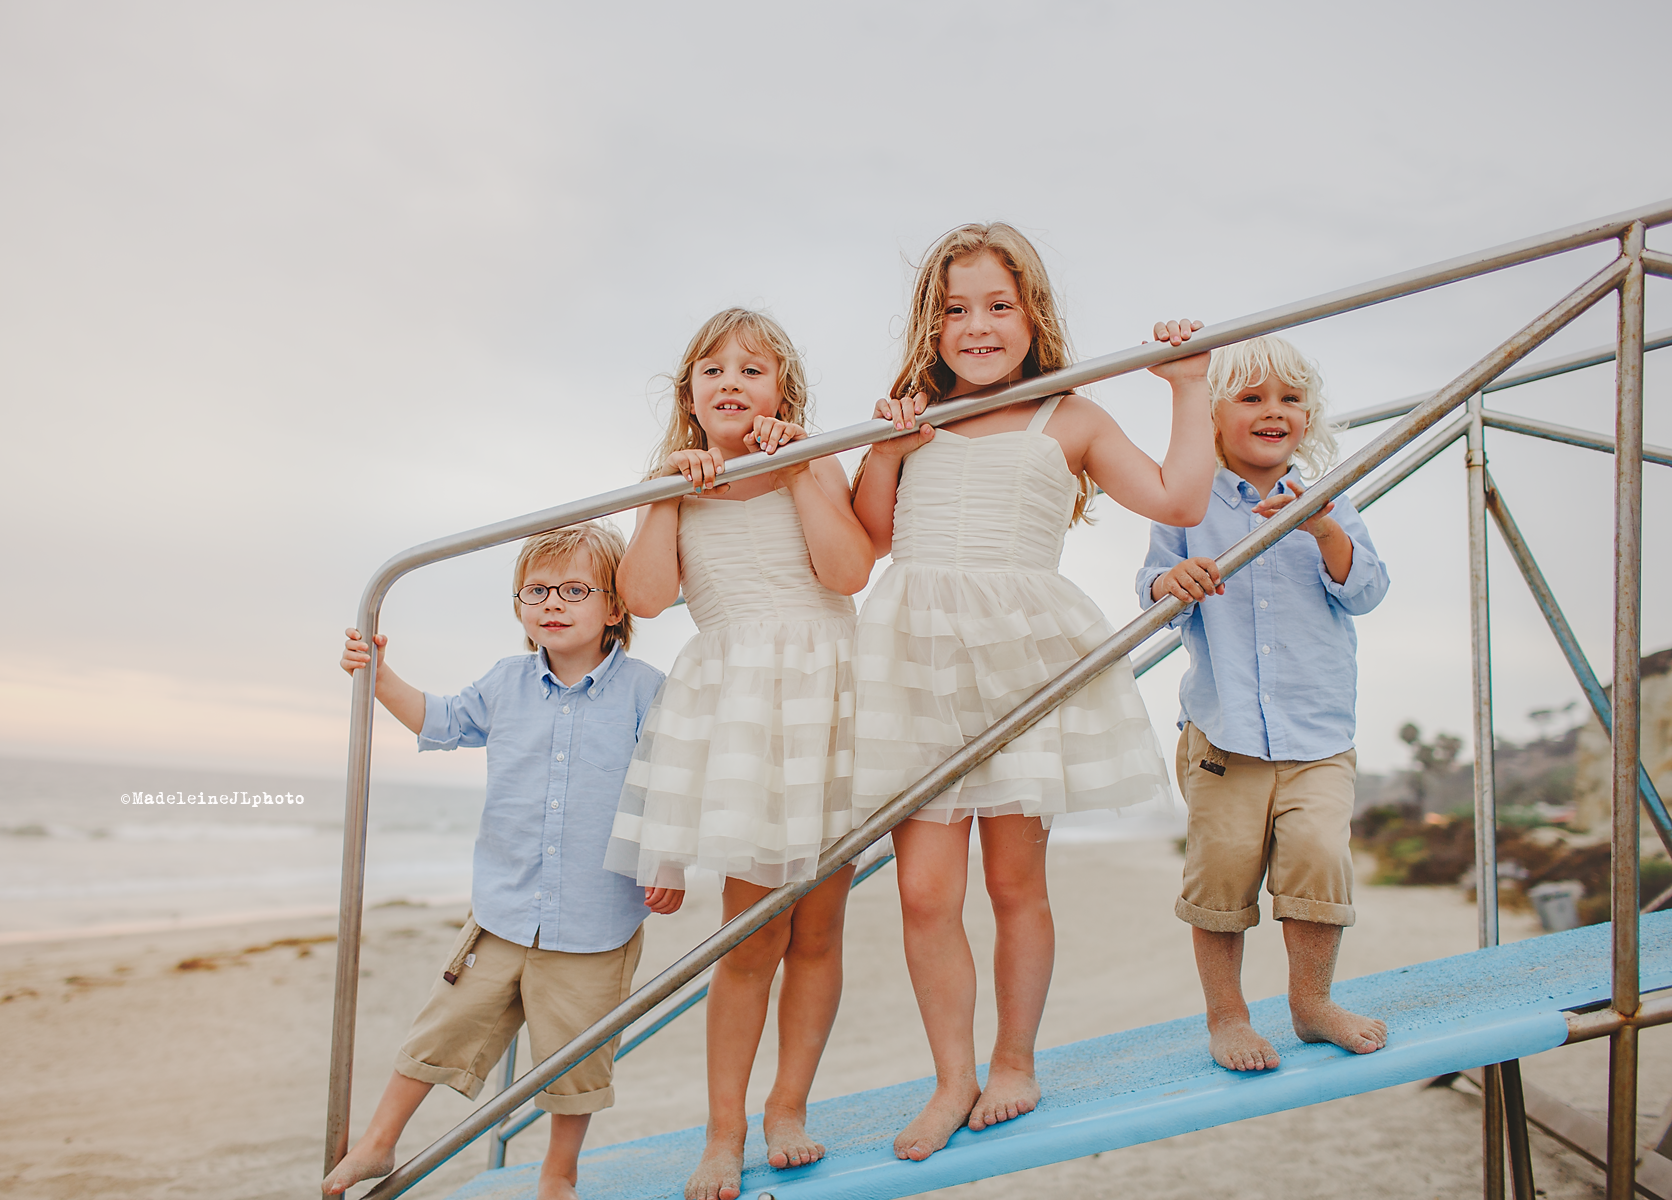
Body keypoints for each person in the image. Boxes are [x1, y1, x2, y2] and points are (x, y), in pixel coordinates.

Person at [851, 222, 1214, 1161]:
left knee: (1017, 883)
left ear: (1032, 315)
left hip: (1022, 657)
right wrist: (886, 449)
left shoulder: (1075, 417)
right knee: (926, 894)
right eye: (956, 309)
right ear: (931, 328)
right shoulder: (911, 416)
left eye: (998, 306)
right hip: (914, 662)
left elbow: (1178, 499)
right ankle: (951, 1077)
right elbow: (866, 541)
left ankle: (1015, 1060)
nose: (978, 325)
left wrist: (1187, 384)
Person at [604, 308, 873, 1200]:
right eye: (713, 370)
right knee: (751, 934)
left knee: (822, 929)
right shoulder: (675, 485)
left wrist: (798, 471)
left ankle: (787, 1108)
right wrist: (662, 495)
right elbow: (643, 597)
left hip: (828, 696)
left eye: (753, 371)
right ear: (690, 396)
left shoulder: (813, 462)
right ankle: (722, 1132)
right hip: (744, 710)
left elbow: (846, 572)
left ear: (781, 392)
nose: (731, 382)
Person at [323, 522, 677, 1200]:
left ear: (615, 607)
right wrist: (378, 672)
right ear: (519, 605)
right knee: (440, 1028)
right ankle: (377, 1144)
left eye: (575, 589)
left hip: (595, 919)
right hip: (503, 910)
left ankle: (558, 1173)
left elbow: (670, 785)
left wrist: (671, 863)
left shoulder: (645, 690)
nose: (553, 602)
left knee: (575, 1061)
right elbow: (438, 720)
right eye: (537, 589)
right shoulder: (506, 681)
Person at [1137, 334, 1391, 1072]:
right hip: (1225, 734)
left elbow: (1367, 589)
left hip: (1318, 733)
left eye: (1289, 399)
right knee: (1220, 877)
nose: (1272, 412)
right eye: (1251, 398)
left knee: (1318, 859)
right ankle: (1228, 1017)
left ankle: (1311, 1006)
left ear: (1308, 418)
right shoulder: (1188, 499)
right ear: (1213, 417)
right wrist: (1169, 582)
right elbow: (1152, 585)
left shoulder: (1333, 496)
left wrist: (1323, 528)